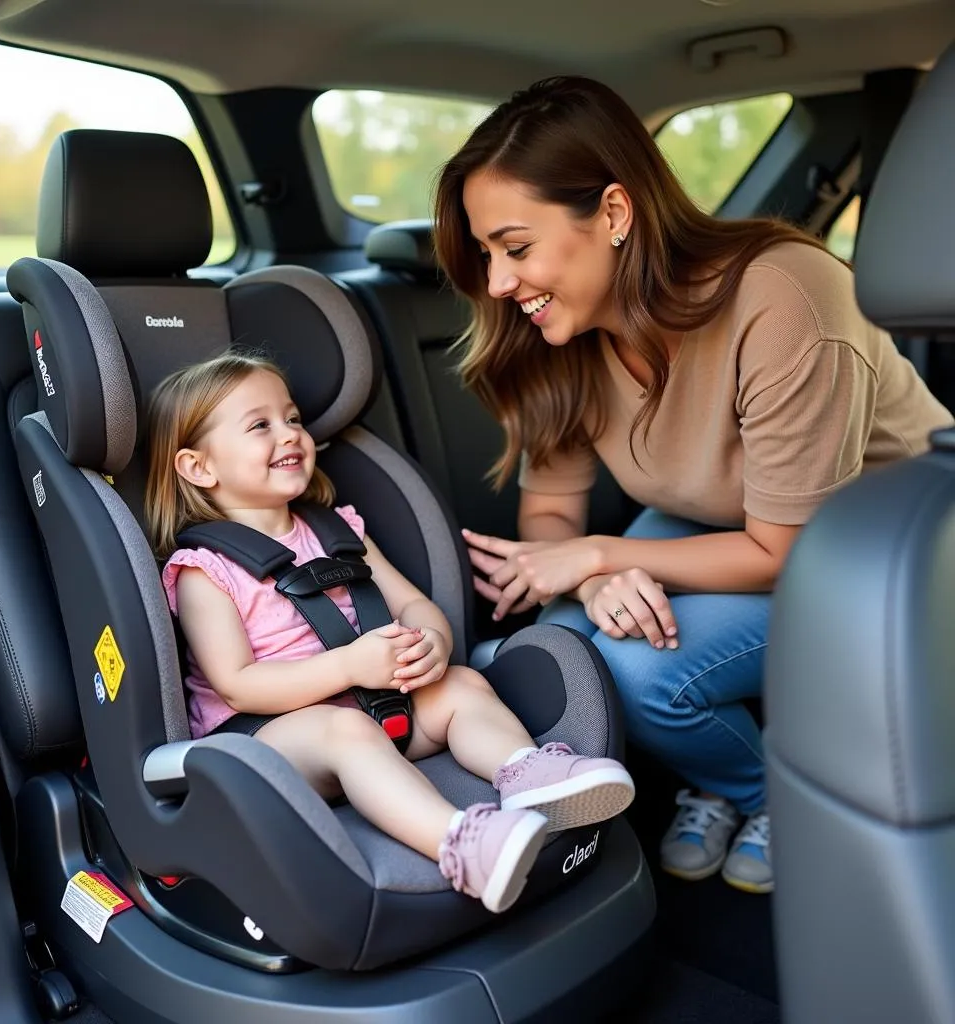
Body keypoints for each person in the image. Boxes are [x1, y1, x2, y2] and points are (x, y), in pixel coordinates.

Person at [432, 75, 954, 894]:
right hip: (724, 529)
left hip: (886, 546)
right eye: (488, 254)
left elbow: (785, 548)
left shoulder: (783, 299)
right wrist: (594, 571)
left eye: (516, 247)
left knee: (643, 675)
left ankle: (766, 796)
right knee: (559, 642)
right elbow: (551, 512)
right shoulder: (556, 330)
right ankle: (721, 779)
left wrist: (602, 555)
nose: (497, 282)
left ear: (612, 214)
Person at [143, 351, 636, 914]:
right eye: (261, 426)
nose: (290, 435)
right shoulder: (203, 571)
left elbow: (410, 603)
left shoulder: (337, 528)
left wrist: (433, 643)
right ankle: (462, 844)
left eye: (294, 418)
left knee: (463, 686)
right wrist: (351, 668)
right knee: (347, 731)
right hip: (271, 744)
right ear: (199, 467)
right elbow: (237, 685)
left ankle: (527, 774)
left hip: (378, 703)